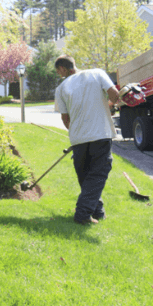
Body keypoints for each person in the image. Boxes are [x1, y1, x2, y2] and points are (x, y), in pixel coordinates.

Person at [53, 55, 120, 225]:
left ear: (62, 69)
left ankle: (98, 211)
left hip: (78, 138)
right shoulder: (97, 73)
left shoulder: (61, 88)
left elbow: (65, 119)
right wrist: (109, 105)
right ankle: (82, 214)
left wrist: (78, 131)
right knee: (97, 174)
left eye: (57, 71)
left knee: (86, 175)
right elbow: (115, 96)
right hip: (100, 133)